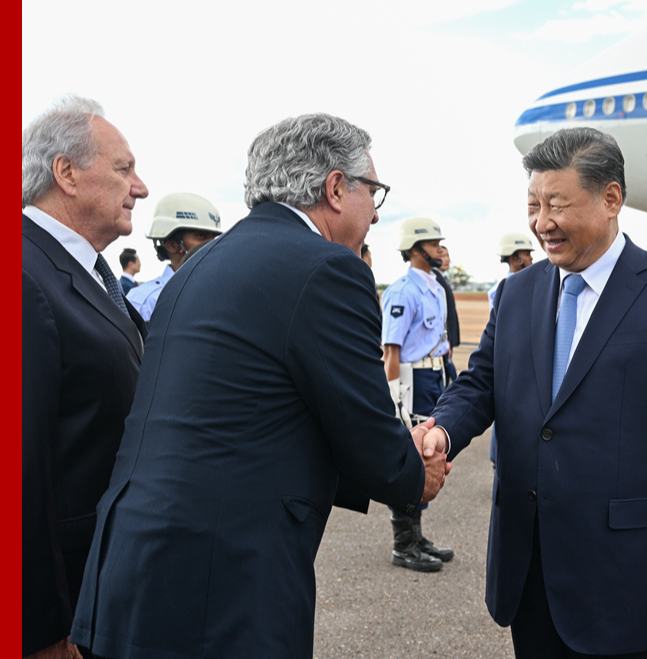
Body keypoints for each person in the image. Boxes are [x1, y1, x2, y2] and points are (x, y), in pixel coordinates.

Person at [70, 113, 449, 658]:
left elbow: (253, 414)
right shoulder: (327, 270)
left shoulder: (203, 265)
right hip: (220, 587)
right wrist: (413, 473)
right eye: (374, 193)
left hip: (132, 573)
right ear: (337, 188)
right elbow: (361, 423)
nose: (374, 214)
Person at [418, 127, 647, 658]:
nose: (542, 223)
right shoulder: (516, 293)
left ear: (611, 199)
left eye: (557, 205)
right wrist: (443, 430)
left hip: (633, 582)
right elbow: (482, 382)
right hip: (533, 572)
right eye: (533, 204)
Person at [22, 96, 150, 658]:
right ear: (66, 174)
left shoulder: (85, 272)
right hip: (61, 607)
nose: (140, 187)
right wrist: (38, 628)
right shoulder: (23, 275)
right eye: (123, 168)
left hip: (101, 585)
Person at [380, 217, 456, 572]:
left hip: (433, 377)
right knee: (410, 456)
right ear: (415, 250)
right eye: (433, 243)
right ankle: (403, 544)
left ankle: (417, 535)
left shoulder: (436, 287)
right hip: (410, 381)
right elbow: (391, 350)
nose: (441, 248)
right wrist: (394, 398)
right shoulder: (401, 291)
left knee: (426, 454)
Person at [125, 192, 222, 322]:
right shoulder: (144, 301)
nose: (212, 244)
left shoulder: (220, 291)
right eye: (201, 236)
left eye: (214, 237)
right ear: (171, 244)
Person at [486, 232, 536, 465]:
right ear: (513, 258)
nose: (529, 259)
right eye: (525, 255)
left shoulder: (535, 284)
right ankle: (499, 459)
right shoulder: (503, 290)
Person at [433, 243, 461, 381]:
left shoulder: (441, 278)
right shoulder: (435, 281)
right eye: (443, 256)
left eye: (448, 256)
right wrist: (447, 340)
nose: (447, 259)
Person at [487, 232, 535, 308]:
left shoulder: (534, 283)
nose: (531, 258)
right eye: (527, 254)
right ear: (514, 259)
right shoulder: (499, 291)